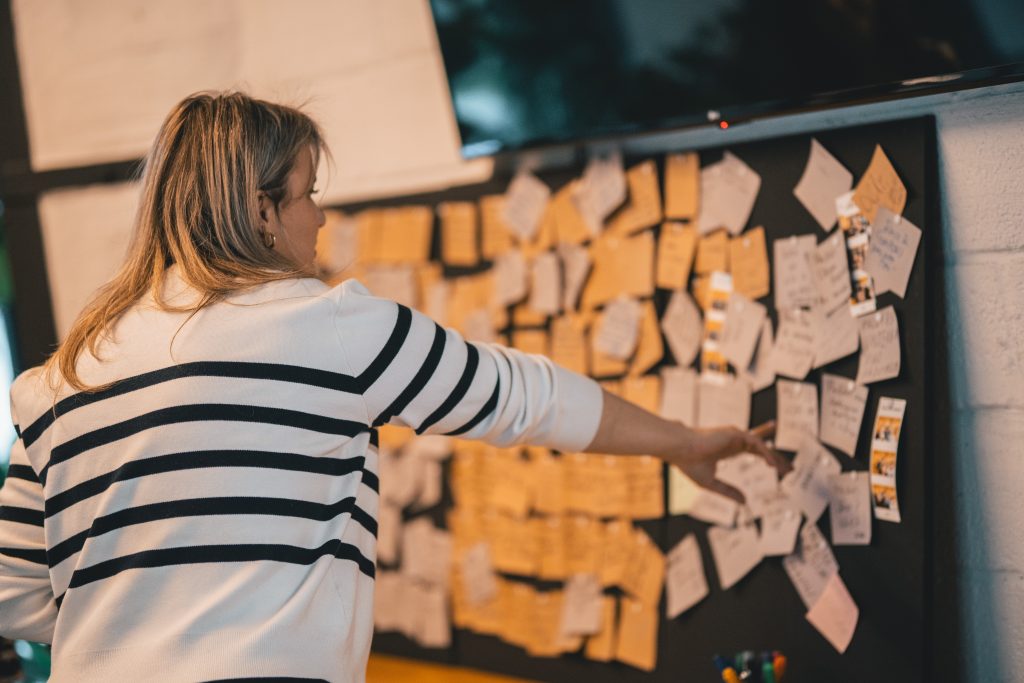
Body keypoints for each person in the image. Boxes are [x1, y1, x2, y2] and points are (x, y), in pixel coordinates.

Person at [0, 92, 786, 682]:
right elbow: (527, 397)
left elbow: (13, 592)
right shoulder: (326, 327)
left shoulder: (61, 379)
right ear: (261, 210)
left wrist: (139, 626)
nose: (320, 219)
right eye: (308, 193)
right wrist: (682, 442)